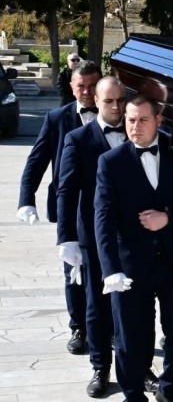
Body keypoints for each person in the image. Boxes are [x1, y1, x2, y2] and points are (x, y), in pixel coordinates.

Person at [93, 95, 173, 402]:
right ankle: (133, 392)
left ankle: (169, 387)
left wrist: (168, 217)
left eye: (142, 120)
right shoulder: (110, 162)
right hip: (130, 265)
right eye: (130, 120)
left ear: (158, 121)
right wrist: (110, 269)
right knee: (130, 337)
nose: (135, 127)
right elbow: (103, 218)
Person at [18, 59, 102, 357]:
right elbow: (36, 161)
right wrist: (26, 198)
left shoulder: (117, 115)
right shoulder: (56, 118)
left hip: (107, 207)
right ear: (71, 87)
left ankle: (111, 328)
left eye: (93, 85)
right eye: (81, 86)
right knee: (74, 270)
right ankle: (79, 327)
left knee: (107, 268)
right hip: (71, 206)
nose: (88, 92)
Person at [55, 77, 128, 397]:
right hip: (92, 236)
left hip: (133, 236)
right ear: (95, 101)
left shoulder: (138, 129)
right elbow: (66, 190)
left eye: (120, 101)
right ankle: (101, 367)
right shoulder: (77, 138)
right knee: (96, 307)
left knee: (132, 306)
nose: (115, 107)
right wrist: (66, 238)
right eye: (109, 101)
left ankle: (138, 368)